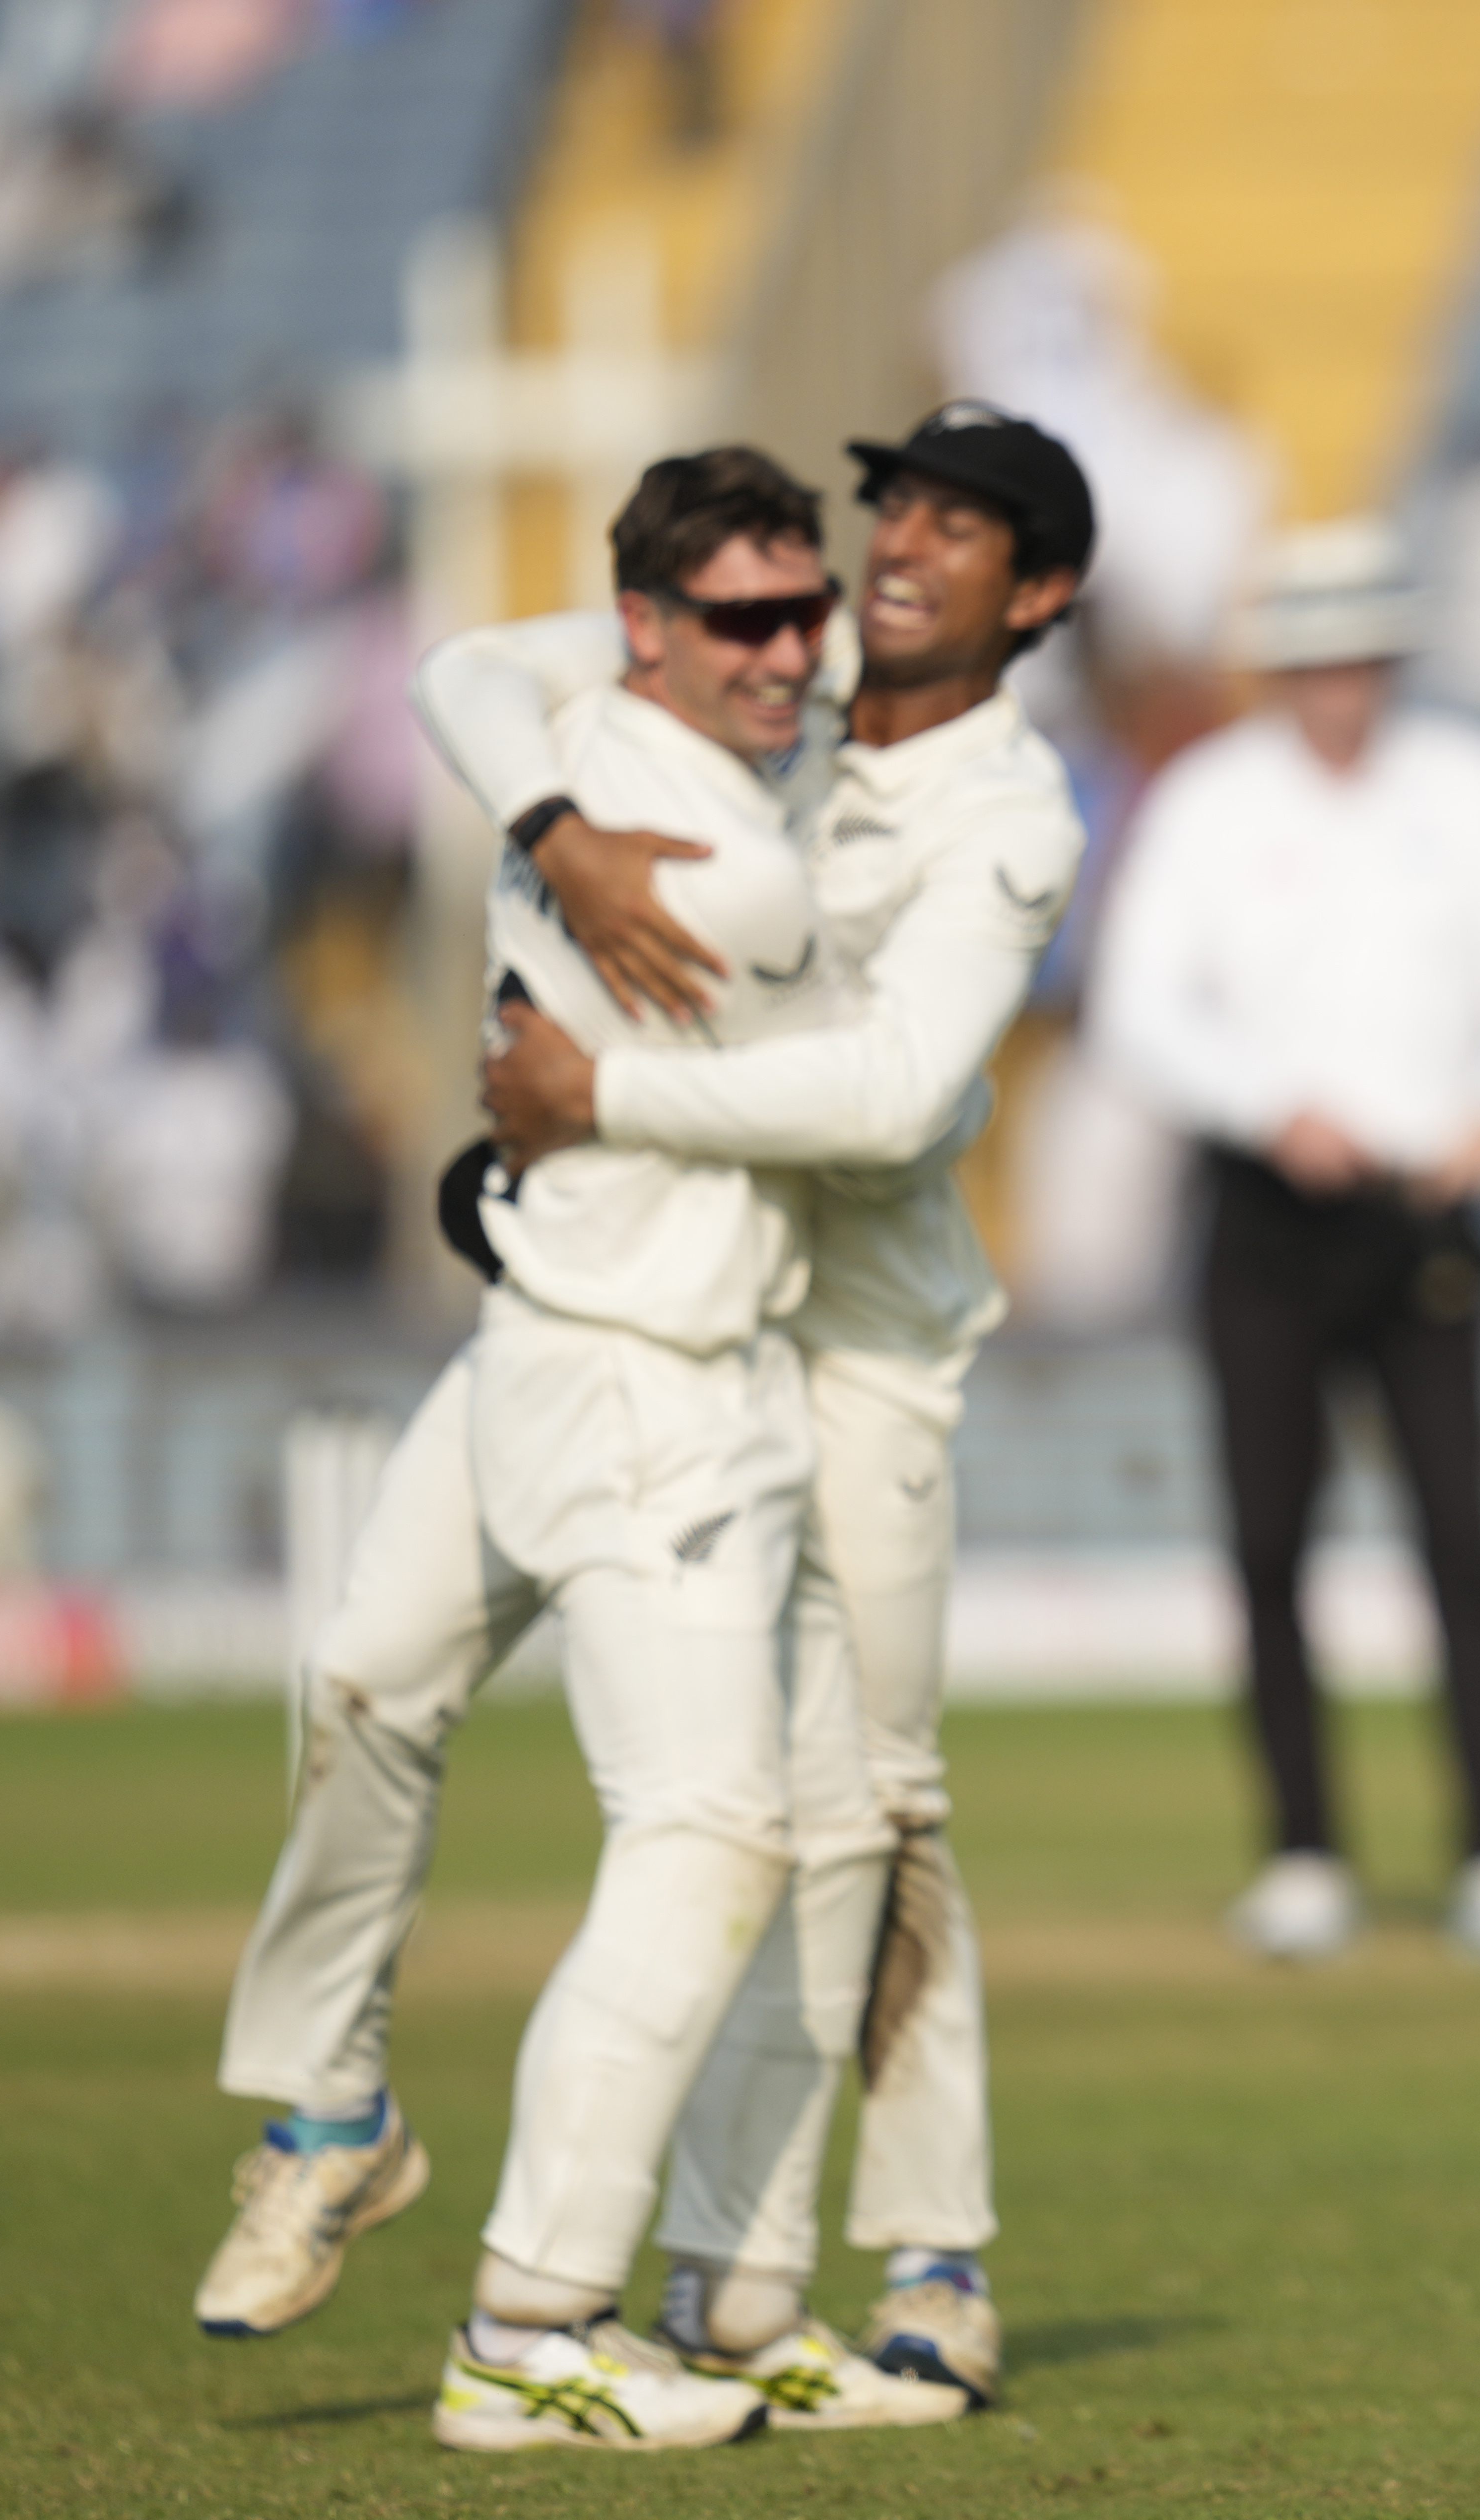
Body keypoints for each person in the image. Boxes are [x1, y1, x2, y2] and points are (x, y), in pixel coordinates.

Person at [198, 447, 934, 2449]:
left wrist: (574, 1059)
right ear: (647, 629)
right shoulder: (679, 824)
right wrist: (557, 834)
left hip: (648, 1344)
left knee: (767, 1832)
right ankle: (409, 2200)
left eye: (811, 611)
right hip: (593, 1360)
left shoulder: (709, 778)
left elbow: (476, 677)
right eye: (744, 620)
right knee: (457, 1732)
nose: (792, 651)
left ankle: (708, 2295)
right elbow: (453, 666)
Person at [429, 399, 1097, 2409]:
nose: (898, 542)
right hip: (705, 1338)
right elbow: (468, 671)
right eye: (892, 499)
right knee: (739, 1814)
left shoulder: (1015, 815)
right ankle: (724, 2275)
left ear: (1037, 592)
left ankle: (938, 2263)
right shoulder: (770, 707)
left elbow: (894, 1098)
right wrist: (550, 832)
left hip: (868, 1353)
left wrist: (595, 1102)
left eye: (959, 525)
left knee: (874, 1804)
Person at [1087, 518, 1480, 1966]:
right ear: (1277, 668)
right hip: (1267, 1209)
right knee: (1267, 1540)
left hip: (1431, 1205)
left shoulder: (1471, 783)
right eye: (1313, 660)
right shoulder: (1207, 801)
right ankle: (1302, 1850)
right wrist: (1267, 1109)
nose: (1339, 687)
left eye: (1360, 657)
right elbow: (1141, 1008)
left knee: (1460, 1535)